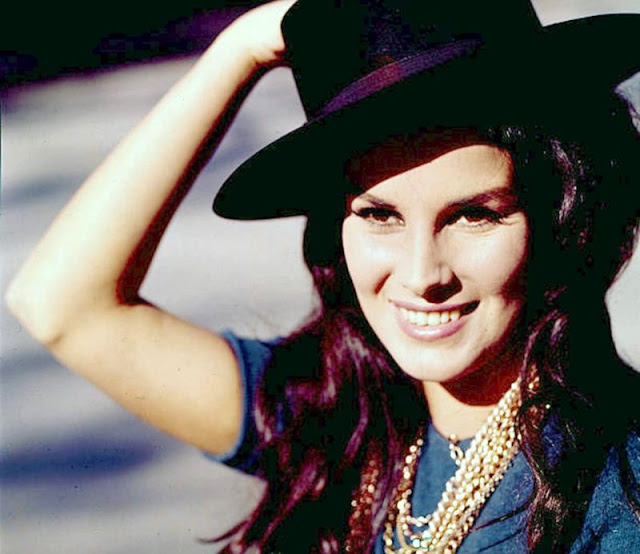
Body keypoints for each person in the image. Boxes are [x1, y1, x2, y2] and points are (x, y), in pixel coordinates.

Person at [6, 1, 640, 552]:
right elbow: (61, 305)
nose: (422, 274)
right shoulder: (339, 417)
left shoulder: (618, 490)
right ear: (337, 230)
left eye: (475, 215)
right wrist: (242, 47)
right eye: (379, 215)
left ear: (565, 219)